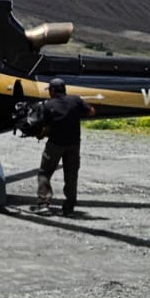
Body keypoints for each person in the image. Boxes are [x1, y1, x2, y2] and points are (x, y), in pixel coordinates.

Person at [35, 77, 94, 215]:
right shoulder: (76, 100)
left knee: (44, 173)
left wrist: (40, 135)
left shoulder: (49, 105)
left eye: (49, 90)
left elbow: (44, 127)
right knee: (71, 176)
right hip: (73, 145)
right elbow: (91, 111)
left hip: (55, 144)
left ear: (53, 91)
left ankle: (43, 204)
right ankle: (69, 209)